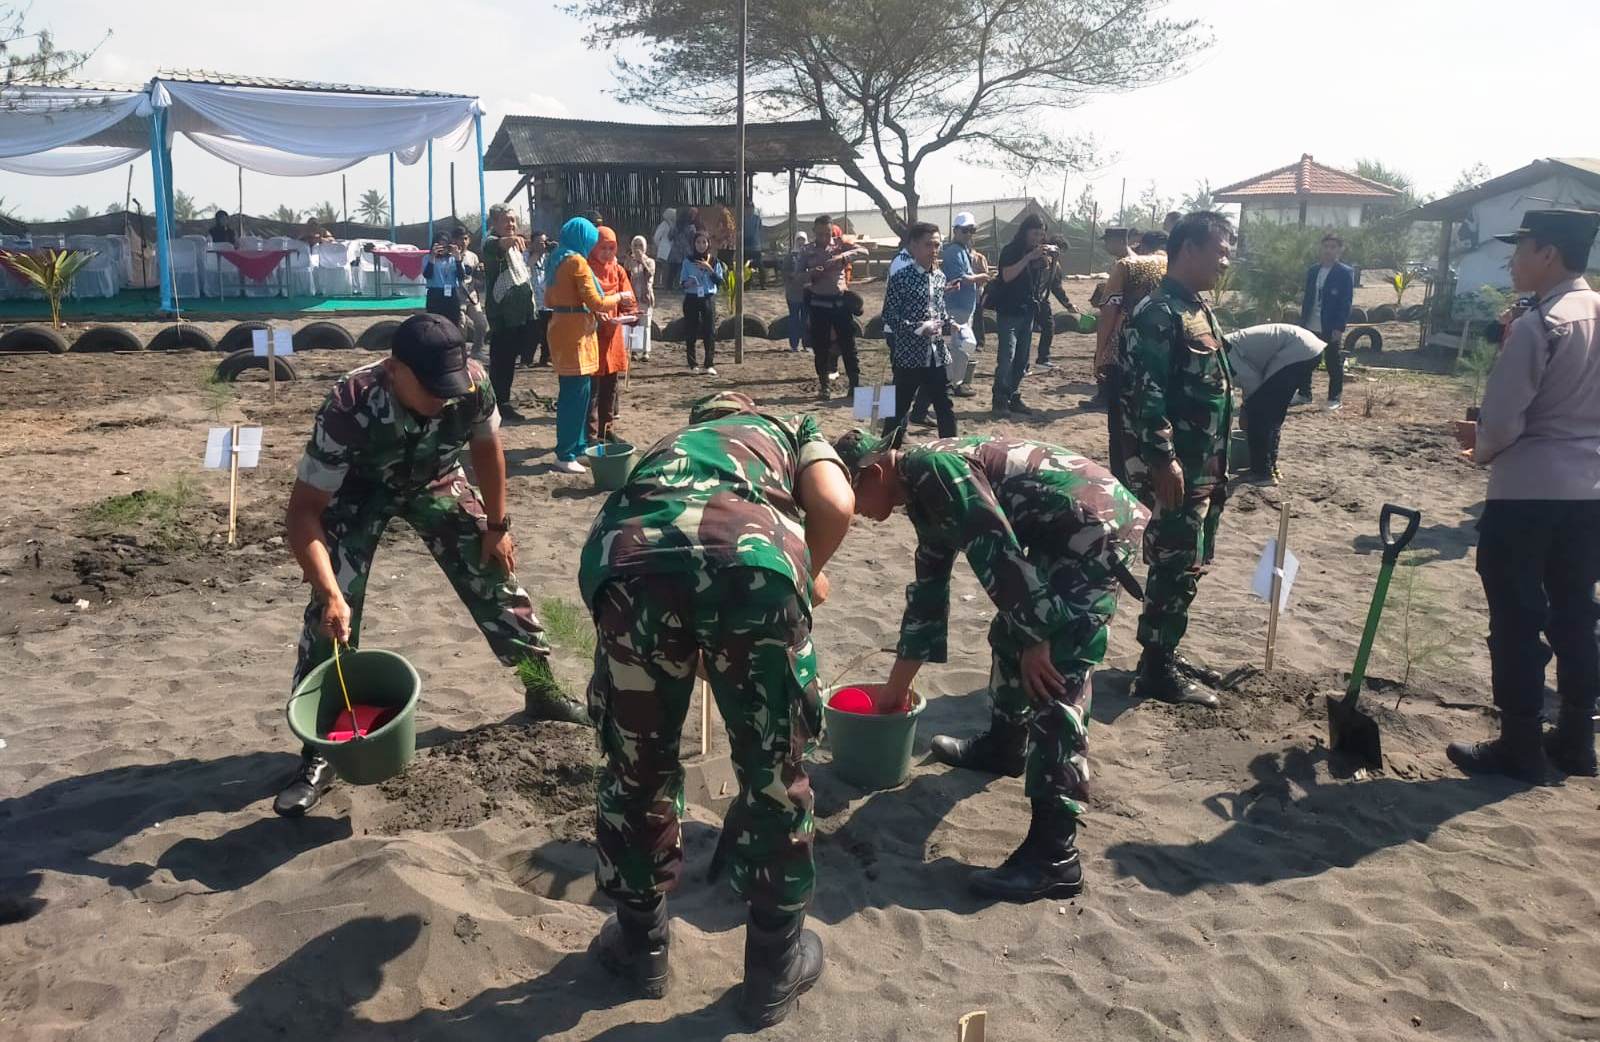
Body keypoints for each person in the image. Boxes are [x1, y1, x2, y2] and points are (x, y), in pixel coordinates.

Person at [579, 391, 855, 1027]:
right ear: (750, 411)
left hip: (629, 564)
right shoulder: (787, 427)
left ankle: (642, 951)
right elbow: (837, 504)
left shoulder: (668, 447)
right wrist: (807, 570)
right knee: (772, 775)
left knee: (637, 766)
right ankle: (771, 977)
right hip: (752, 564)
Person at [273, 314, 586, 817]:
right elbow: (303, 513)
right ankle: (322, 751)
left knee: (491, 569)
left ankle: (541, 687)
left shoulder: (472, 384)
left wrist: (497, 526)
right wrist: (328, 589)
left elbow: (487, 449)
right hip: (355, 496)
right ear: (396, 371)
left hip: (434, 479)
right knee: (334, 612)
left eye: (451, 387)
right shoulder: (348, 406)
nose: (445, 398)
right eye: (432, 388)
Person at [836, 428, 1148, 900]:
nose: (852, 511)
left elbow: (995, 549)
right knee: (1010, 634)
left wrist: (1039, 634)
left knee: (1054, 675)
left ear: (875, 472)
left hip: (1090, 530)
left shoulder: (934, 471)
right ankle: (1006, 745)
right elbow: (928, 595)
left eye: (850, 495)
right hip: (1053, 536)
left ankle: (1054, 856)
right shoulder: (919, 492)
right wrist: (896, 690)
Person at [1448, 209, 1600, 782]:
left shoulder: (1542, 324)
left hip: (1529, 491)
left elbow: (1505, 423)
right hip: (1589, 494)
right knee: (1577, 613)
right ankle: (1577, 740)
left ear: (1550, 254)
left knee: (1516, 617)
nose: (1512, 261)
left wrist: (1480, 445)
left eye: (1521, 248)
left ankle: (1519, 744)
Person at [1116, 211, 1236, 708]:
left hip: (1205, 464)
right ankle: (1156, 669)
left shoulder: (1197, 309)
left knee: (1188, 562)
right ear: (1188, 249)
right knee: (1173, 561)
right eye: (1220, 250)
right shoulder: (1158, 312)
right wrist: (1163, 458)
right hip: (1177, 467)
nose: (1226, 260)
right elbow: (1147, 393)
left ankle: (1162, 653)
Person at [547, 216, 630, 474]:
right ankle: (566, 453)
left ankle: (579, 445)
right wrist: (620, 296)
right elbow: (597, 301)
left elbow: (552, 297)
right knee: (575, 394)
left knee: (578, 392)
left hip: (562, 327)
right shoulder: (577, 262)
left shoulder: (557, 258)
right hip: (576, 335)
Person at [1097, 233, 1168, 474]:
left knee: (1120, 427)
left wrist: (1100, 353)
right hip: (1162, 354)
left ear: (1145, 246)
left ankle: (1123, 478)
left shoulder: (1128, 266)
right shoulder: (1179, 269)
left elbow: (1109, 311)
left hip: (1124, 352)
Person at [1223, 324, 1326, 486]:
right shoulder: (1225, 345)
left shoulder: (1222, 352)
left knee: (1259, 414)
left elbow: (1252, 381)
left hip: (1297, 351)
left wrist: (1246, 409)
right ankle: (1271, 466)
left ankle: (1262, 473)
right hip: (1309, 350)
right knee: (1273, 415)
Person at [880, 222, 958, 437]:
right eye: (928, 245)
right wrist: (916, 329)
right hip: (908, 355)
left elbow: (939, 312)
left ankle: (952, 453)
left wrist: (951, 323)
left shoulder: (940, 277)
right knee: (897, 409)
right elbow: (888, 316)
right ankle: (886, 456)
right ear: (913, 246)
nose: (934, 250)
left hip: (936, 354)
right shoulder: (901, 277)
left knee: (944, 405)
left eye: (937, 245)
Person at [988, 214, 1056, 416]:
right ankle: (999, 399)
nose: (1038, 238)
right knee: (1006, 357)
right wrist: (1028, 258)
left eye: (1041, 235)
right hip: (1009, 311)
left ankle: (1013, 395)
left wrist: (1044, 263)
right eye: (1035, 233)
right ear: (1025, 232)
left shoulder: (1036, 253)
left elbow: (1040, 283)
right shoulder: (1012, 250)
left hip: (1028, 311)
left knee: (1022, 359)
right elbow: (1006, 276)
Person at [802, 216, 869, 400]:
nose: (824, 237)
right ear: (814, 232)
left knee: (849, 346)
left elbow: (864, 251)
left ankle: (855, 385)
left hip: (840, 303)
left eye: (827, 233)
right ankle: (824, 386)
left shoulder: (840, 244)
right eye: (820, 233)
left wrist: (842, 257)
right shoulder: (807, 251)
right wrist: (811, 273)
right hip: (818, 304)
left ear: (832, 231)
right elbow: (795, 275)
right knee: (820, 347)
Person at [481, 205, 537, 419]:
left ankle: (500, 400)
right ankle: (497, 404)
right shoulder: (490, 243)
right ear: (494, 223)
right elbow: (497, 245)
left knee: (510, 359)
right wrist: (510, 241)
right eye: (506, 220)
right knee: (501, 361)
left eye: (513, 220)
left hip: (519, 315)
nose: (511, 224)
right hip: (503, 316)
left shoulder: (515, 247)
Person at [1295, 233, 1355, 410]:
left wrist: (1339, 327)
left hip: (1330, 324)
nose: (1329, 250)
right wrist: (1302, 322)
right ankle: (1304, 393)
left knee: (1332, 361)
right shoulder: (1314, 270)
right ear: (1321, 248)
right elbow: (1308, 298)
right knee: (1306, 359)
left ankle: (1334, 397)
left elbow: (1346, 301)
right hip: (1310, 322)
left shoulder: (1344, 273)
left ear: (1339, 250)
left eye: (1333, 247)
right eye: (1326, 246)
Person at [587, 226, 634, 444]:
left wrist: (631, 312)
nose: (607, 252)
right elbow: (584, 299)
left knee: (610, 386)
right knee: (592, 390)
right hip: (593, 336)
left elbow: (628, 297)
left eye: (611, 248)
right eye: (603, 247)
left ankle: (607, 430)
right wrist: (596, 312)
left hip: (613, 335)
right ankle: (590, 434)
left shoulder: (618, 269)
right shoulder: (587, 269)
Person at [942, 213, 989, 400]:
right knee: (959, 346)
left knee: (961, 346)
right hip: (957, 306)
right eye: (965, 230)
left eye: (972, 230)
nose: (969, 233)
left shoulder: (962, 250)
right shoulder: (954, 251)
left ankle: (955, 382)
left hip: (964, 306)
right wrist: (981, 277)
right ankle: (952, 383)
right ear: (955, 231)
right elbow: (960, 278)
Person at [680, 229, 724, 375]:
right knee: (691, 331)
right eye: (698, 242)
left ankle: (709, 364)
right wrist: (689, 282)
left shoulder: (714, 261)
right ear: (694, 244)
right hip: (692, 298)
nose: (701, 245)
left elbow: (720, 281)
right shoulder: (688, 261)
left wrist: (709, 269)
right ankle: (692, 364)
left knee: (709, 331)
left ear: (708, 244)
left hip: (708, 297)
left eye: (704, 242)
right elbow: (682, 283)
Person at [1031, 236, 1079, 370]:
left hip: (1042, 300)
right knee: (1025, 330)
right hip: (1027, 300)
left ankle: (1043, 359)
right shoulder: (1035, 259)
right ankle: (1021, 364)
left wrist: (1068, 305)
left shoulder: (1055, 266)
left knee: (1049, 326)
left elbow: (1056, 288)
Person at [451, 226, 488, 363]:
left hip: (471, 296)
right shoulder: (449, 256)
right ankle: (460, 354)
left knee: (482, 323)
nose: (463, 242)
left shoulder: (473, 256)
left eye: (465, 238)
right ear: (453, 240)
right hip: (456, 296)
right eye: (460, 239)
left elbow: (477, 278)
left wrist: (480, 272)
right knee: (462, 325)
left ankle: (476, 351)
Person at [623, 234, 657, 361]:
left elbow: (649, 275)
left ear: (645, 247)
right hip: (632, 296)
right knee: (634, 323)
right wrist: (628, 261)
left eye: (640, 245)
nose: (637, 248)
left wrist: (642, 261)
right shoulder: (629, 261)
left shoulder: (650, 261)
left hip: (645, 296)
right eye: (635, 245)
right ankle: (634, 351)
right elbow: (625, 276)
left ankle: (645, 351)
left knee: (645, 323)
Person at [422, 234, 465, 327]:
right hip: (435, 293)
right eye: (439, 246)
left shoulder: (454, 258)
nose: (442, 249)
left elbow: (461, 276)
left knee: (453, 324)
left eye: (445, 246)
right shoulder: (427, 258)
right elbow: (427, 275)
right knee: (434, 324)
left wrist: (458, 259)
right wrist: (433, 256)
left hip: (451, 294)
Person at [526, 230, 553, 367]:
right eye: (539, 243)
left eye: (544, 242)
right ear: (532, 244)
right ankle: (527, 359)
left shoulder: (548, 257)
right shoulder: (525, 256)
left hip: (547, 299)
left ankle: (545, 358)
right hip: (532, 300)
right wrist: (536, 253)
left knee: (548, 331)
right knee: (534, 332)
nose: (543, 245)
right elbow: (526, 268)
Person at [782, 232, 812, 353]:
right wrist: (794, 276)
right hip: (793, 293)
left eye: (803, 240)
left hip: (807, 292)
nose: (801, 242)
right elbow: (784, 272)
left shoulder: (810, 256)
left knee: (806, 319)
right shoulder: (790, 257)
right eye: (799, 240)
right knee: (794, 318)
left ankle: (806, 344)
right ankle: (794, 345)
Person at [706, 197, 737, 267]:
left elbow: (728, 230)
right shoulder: (725, 213)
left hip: (726, 245)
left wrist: (717, 237)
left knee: (724, 264)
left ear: (720, 204)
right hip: (726, 245)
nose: (715, 205)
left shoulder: (724, 214)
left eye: (716, 203)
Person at [652, 208, 677, 292]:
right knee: (664, 268)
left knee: (663, 268)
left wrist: (659, 245)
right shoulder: (667, 224)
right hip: (668, 250)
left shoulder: (667, 224)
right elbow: (656, 237)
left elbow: (656, 237)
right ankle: (661, 284)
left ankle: (661, 284)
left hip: (665, 249)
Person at [744, 198, 766, 289]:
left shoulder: (757, 219)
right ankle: (746, 285)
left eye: (751, 208)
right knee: (746, 267)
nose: (749, 209)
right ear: (745, 209)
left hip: (756, 247)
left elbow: (760, 231)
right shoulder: (742, 219)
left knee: (760, 266)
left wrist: (761, 244)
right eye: (748, 208)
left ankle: (763, 285)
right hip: (745, 247)